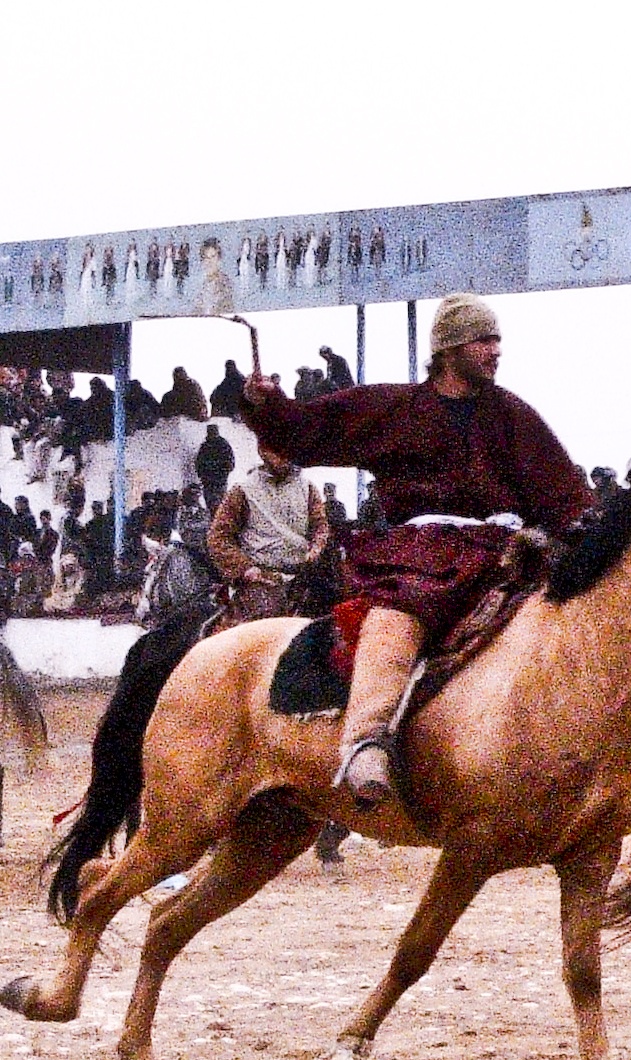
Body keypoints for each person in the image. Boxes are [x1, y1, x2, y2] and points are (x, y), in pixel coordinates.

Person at [237, 292, 591, 807]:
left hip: (503, 550)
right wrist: (267, 405)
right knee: (402, 612)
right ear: (449, 348)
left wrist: (587, 527)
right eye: (483, 339)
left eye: (497, 339)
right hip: (421, 552)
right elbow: (307, 432)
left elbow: (562, 493)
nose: (496, 350)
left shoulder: (513, 415)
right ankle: (365, 742)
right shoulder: (394, 408)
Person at [204, 442, 331, 622]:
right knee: (267, 629)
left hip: (303, 575)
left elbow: (320, 525)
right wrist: (245, 568)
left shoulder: (308, 488)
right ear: (263, 451)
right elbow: (219, 538)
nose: (284, 456)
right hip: (263, 579)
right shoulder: (243, 490)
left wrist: (316, 547)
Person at [192, 423, 236, 505]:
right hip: (209, 482)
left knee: (218, 504)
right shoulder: (206, 446)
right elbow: (199, 462)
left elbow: (230, 464)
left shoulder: (223, 445)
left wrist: (221, 472)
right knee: (211, 504)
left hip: (218, 482)